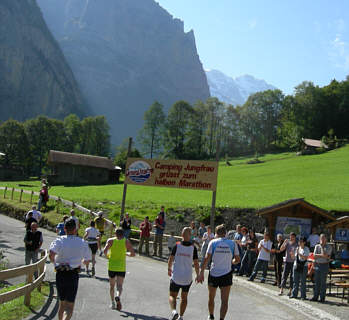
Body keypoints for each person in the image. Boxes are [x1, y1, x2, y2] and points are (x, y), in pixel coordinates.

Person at [49, 218, 91, 320]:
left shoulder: (59, 240)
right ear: (75, 230)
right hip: (73, 274)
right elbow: (87, 260)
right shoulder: (82, 242)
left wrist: (55, 264)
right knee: (70, 305)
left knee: (62, 303)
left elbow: (51, 254)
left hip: (60, 273)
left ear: (64, 228)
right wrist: (81, 262)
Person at [199, 224, 240, 320]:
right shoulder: (232, 243)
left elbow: (206, 258)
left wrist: (201, 273)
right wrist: (231, 261)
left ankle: (211, 316)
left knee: (211, 297)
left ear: (216, 233)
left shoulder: (213, 242)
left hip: (214, 273)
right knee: (224, 300)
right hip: (226, 273)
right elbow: (238, 259)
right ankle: (221, 318)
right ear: (225, 233)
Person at [168, 227, 200, 320]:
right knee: (184, 298)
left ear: (181, 235)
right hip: (187, 277)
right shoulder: (193, 248)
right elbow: (196, 263)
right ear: (190, 236)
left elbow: (171, 258)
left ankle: (174, 311)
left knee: (172, 295)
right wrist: (198, 275)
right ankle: (181, 317)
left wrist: (169, 269)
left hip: (176, 276)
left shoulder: (177, 245)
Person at [104, 228, 135, 310]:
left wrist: (108, 257)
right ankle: (117, 296)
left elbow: (104, 251)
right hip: (121, 267)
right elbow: (133, 254)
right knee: (119, 285)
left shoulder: (110, 240)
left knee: (112, 286)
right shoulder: (126, 241)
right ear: (123, 234)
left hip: (112, 266)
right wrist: (126, 254)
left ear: (115, 233)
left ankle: (112, 303)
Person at [311, 234, 332, 303]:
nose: (322, 240)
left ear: (326, 239)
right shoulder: (317, 246)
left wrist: (322, 248)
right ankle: (315, 296)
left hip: (324, 265)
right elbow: (314, 256)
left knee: (323, 282)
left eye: (323, 238)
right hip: (317, 265)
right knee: (316, 282)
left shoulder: (329, 247)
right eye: (321, 238)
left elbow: (326, 256)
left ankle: (322, 298)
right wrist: (321, 255)